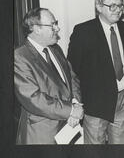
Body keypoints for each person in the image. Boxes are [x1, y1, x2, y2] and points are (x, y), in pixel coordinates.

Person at [67, 0, 124, 144]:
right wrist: (77, 103)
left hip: (122, 99)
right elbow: (72, 70)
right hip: (95, 104)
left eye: (120, 6)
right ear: (99, 7)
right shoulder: (83, 31)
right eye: (112, 6)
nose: (118, 10)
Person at [14, 8, 84, 144]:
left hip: (68, 126)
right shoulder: (19, 56)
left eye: (56, 23)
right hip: (42, 133)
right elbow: (33, 98)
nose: (57, 28)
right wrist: (70, 110)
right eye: (52, 24)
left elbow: (72, 79)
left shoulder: (55, 48)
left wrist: (75, 104)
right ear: (36, 29)